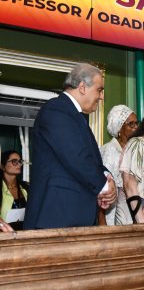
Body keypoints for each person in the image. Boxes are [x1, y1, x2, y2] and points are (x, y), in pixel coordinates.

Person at [24, 63, 117, 229]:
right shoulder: (56, 109)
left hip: (72, 218)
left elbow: (93, 161)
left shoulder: (76, 116)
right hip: (55, 218)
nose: (101, 97)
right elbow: (76, 156)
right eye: (99, 89)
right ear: (82, 87)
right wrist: (104, 185)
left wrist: (108, 178)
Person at [99, 105, 138, 225]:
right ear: (119, 129)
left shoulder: (136, 150)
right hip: (112, 217)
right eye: (131, 124)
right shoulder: (108, 150)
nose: (136, 127)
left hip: (134, 214)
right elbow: (101, 189)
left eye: (137, 123)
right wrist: (102, 222)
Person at [0, 150, 29, 230]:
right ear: (2, 166)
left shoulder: (25, 188)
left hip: (23, 233)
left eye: (20, 161)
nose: (19, 164)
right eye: (14, 161)